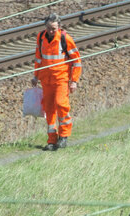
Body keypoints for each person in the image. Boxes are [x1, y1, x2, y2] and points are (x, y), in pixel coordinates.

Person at [32, 13, 82, 151]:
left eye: (53, 28)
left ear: (59, 27)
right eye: (49, 28)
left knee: (61, 105)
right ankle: (51, 140)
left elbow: (77, 61)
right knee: (48, 109)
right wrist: (35, 76)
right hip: (46, 79)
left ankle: (64, 136)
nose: (51, 31)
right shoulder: (41, 37)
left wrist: (74, 81)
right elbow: (38, 58)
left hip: (61, 78)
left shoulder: (65, 38)